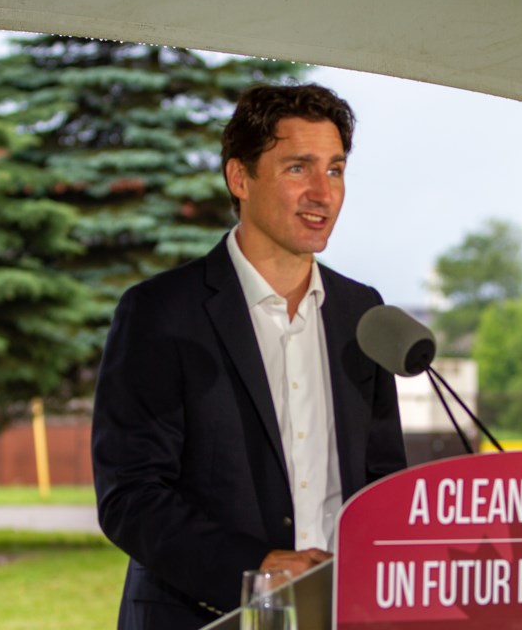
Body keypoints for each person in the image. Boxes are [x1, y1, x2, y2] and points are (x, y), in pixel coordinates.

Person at [91, 83, 407, 630]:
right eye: (297, 169)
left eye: (334, 170)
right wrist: (257, 567)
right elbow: (131, 495)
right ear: (240, 178)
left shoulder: (364, 314)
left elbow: (382, 481)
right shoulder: (161, 313)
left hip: (343, 615)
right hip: (198, 616)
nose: (322, 193)